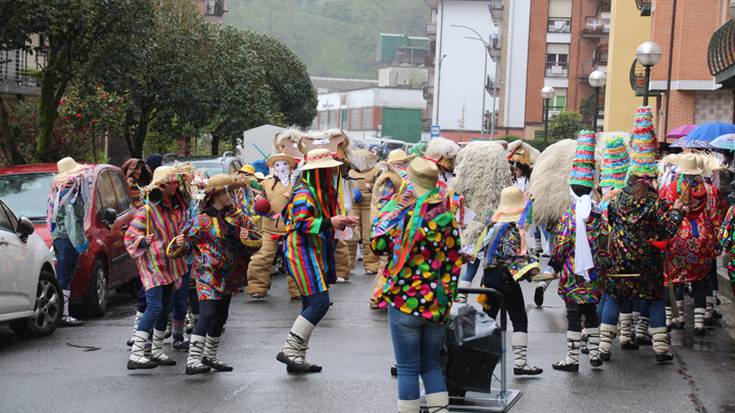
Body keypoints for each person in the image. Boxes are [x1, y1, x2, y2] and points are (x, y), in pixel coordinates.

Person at [371, 157, 461, 413]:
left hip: (404, 300)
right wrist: (446, 297)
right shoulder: (447, 217)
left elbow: (377, 246)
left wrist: (391, 208)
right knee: (431, 365)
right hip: (436, 303)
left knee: (408, 368)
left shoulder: (401, 215)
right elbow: (454, 263)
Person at [600, 106, 685, 363]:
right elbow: (667, 230)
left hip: (618, 257)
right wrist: (678, 212)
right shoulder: (655, 202)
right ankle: (660, 348)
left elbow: (611, 222)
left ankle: (603, 347)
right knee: (655, 299)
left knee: (615, 297)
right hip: (646, 260)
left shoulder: (616, 200)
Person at [276, 148, 357, 373]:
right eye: (328, 169)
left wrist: (339, 221)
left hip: (311, 251)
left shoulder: (317, 190)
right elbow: (301, 225)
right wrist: (332, 221)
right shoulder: (304, 193)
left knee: (310, 304)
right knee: (319, 303)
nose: (333, 172)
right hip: (301, 252)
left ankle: (297, 357)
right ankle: (290, 351)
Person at [464, 186, 543, 376]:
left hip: (489, 277)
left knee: (488, 319)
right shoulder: (512, 229)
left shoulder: (492, 226)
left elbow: (480, 249)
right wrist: (529, 270)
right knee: (519, 318)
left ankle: (476, 359)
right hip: (505, 278)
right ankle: (520, 363)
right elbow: (512, 257)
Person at [184, 174, 256, 375]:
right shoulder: (201, 220)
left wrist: (247, 236)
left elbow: (255, 238)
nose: (233, 195)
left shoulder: (238, 216)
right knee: (206, 314)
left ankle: (210, 356)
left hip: (229, 274)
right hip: (208, 273)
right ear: (218, 194)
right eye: (229, 191)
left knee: (221, 316)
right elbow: (184, 242)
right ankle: (192, 360)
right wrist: (181, 243)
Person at [549, 131, 608, 372]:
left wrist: (552, 265)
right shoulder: (597, 215)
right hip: (594, 274)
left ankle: (572, 359)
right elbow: (605, 243)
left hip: (573, 274)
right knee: (591, 311)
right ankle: (594, 353)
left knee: (573, 314)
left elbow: (562, 245)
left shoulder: (570, 216)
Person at [124, 166, 189, 369]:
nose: (176, 185)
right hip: (153, 265)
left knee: (165, 307)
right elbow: (130, 237)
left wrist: (181, 242)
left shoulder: (176, 209)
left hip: (171, 264)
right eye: (172, 182)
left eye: (177, 182)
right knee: (154, 306)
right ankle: (136, 355)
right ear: (162, 186)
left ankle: (157, 351)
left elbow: (180, 233)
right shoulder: (147, 210)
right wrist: (143, 240)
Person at [660, 153, 724, 335]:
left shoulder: (670, 189)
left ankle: (677, 317)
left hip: (678, 239)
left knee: (676, 278)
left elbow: (664, 215)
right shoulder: (711, 191)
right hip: (703, 242)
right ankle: (699, 323)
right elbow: (716, 217)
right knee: (700, 281)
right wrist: (715, 241)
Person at [246, 152, 301, 300]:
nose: (281, 167)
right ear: (273, 168)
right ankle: (257, 287)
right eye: (277, 164)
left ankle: (297, 289)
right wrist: (259, 203)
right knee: (263, 256)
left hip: (292, 228)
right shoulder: (266, 183)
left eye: (285, 164)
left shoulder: (297, 183)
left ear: (290, 167)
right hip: (270, 227)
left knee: (294, 258)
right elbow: (257, 205)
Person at [47, 157, 90, 327]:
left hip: (59, 238)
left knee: (62, 275)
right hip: (68, 240)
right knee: (65, 276)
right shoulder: (71, 195)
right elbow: (73, 223)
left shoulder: (57, 192)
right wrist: (81, 245)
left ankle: (62, 314)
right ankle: (64, 315)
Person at [369, 149, 413, 308]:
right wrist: (396, 209)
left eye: (404, 163)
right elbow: (382, 204)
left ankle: (381, 297)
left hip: (391, 225)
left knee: (388, 263)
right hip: (387, 227)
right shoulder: (389, 179)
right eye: (401, 163)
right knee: (385, 263)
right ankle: (377, 298)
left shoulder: (397, 178)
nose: (404, 166)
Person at [346, 146, 382, 275]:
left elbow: (380, 188)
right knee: (351, 236)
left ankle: (372, 265)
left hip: (369, 206)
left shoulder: (376, 171)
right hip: (354, 206)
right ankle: (347, 265)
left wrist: (371, 187)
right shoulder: (351, 173)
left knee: (368, 236)